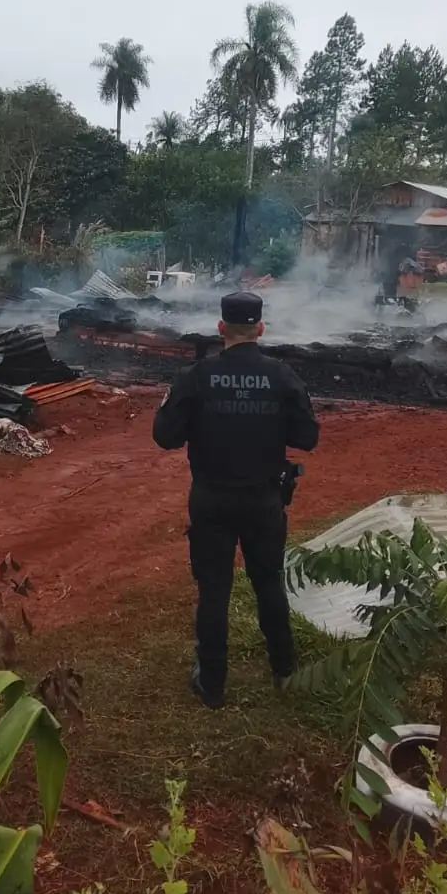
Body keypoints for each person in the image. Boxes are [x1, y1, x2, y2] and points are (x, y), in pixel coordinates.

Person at [152, 291, 319, 709]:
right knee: (268, 584)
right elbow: (307, 437)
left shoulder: (196, 376)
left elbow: (165, 437)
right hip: (264, 500)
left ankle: (212, 684)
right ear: (260, 328)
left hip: (211, 501)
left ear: (221, 327)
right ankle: (284, 670)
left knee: (214, 591)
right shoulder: (282, 377)